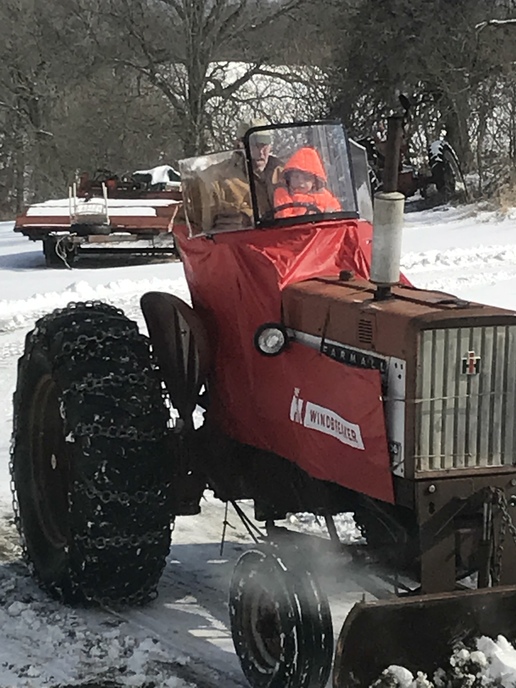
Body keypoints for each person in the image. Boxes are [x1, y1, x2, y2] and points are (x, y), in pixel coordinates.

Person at [204, 118, 283, 231]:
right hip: (240, 245)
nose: (260, 152)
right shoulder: (217, 178)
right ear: (238, 145)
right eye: (253, 145)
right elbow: (199, 228)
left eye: (263, 145)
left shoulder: (286, 173)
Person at [273, 147, 341, 219]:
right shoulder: (284, 193)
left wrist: (330, 214)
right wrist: (305, 217)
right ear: (289, 177)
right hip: (297, 229)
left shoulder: (323, 194)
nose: (300, 181)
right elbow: (283, 217)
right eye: (296, 177)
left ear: (314, 181)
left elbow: (335, 208)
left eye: (306, 178)